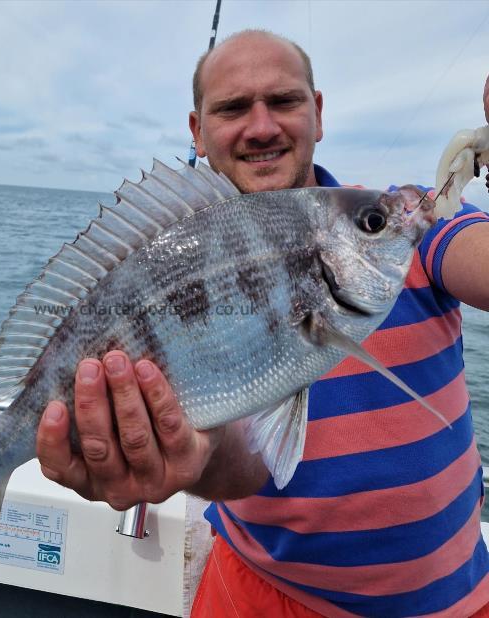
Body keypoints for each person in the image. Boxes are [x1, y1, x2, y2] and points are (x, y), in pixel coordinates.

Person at [36, 30, 489, 617]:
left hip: (461, 598)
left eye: (283, 101)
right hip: (260, 596)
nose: (261, 126)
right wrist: (188, 459)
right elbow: (246, 463)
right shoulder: (169, 253)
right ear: (197, 132)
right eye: (230, 108)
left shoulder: (410, 224)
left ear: (317, 113)